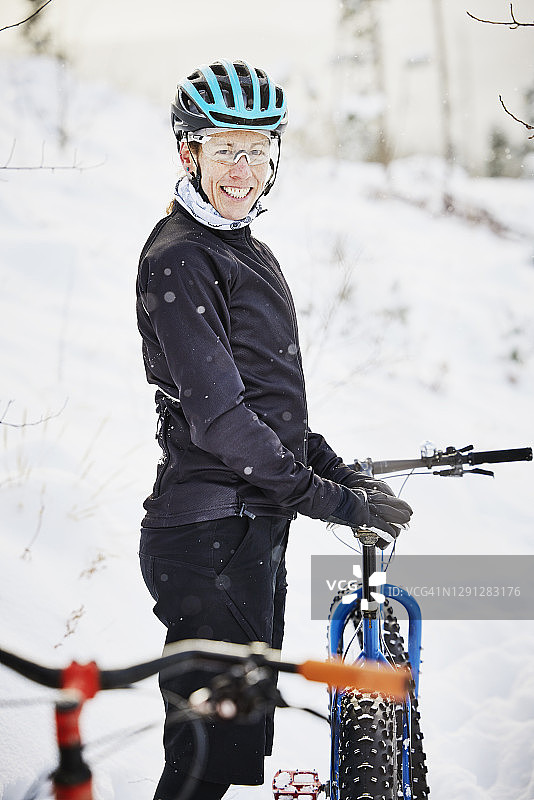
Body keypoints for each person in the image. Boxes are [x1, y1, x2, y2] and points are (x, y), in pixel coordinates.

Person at [136, 59, 412, 800]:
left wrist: (335, 469)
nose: (243, 167)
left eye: (258, 149)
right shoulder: (182, 257)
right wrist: (330, 500)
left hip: (245, 531)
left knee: (218, 754)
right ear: (187, 152)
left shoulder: (243, 249)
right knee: (201, 761)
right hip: (209, 535)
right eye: (225, 147)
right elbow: (222, 418)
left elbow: (266, 405)